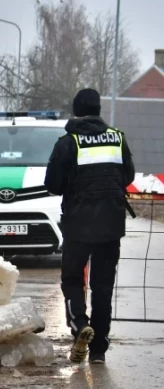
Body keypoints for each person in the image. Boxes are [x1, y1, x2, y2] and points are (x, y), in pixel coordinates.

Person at [45, 88, 135, 365]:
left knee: (72, 279)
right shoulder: (117, 139)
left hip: (77, 226)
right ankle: (98, 349)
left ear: (76, 111)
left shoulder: (68, 142)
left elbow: (53, 184)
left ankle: (79, 327)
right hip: (111, 225)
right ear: (98, 110)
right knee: (103, 286)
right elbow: (128, 175)